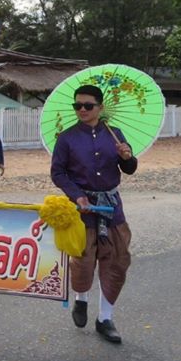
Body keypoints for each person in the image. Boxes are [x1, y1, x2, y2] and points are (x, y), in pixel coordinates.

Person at [50, 84, 137, 345]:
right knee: (83, 261)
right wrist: (77, 195)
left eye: (88, 105)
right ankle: (81, 299)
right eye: (77, 105)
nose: (82, 110)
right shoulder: (66, 138)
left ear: (100, 107)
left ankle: (105, 319)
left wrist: (127, 157)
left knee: (117, 261)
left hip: (112, 209)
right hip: (82, 209)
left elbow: (129, 169)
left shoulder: (115, 134)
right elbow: (58, 173)